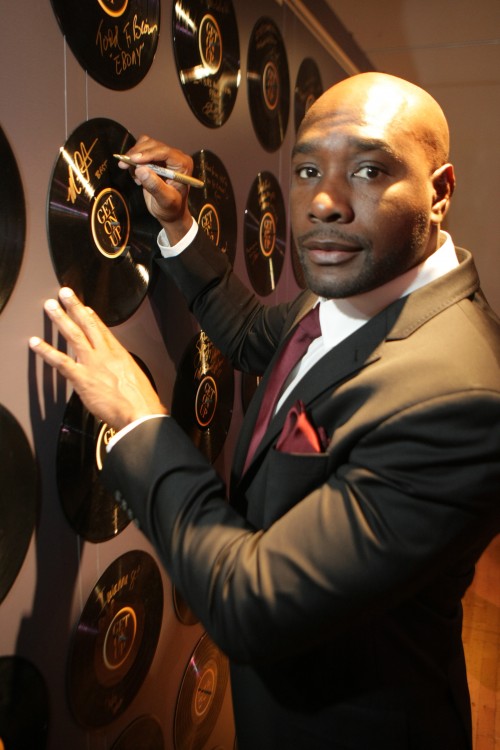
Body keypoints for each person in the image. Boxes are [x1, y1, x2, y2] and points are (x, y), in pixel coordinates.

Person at [30, 72, 500, 750]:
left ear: (441, 190)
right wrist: (177, 226)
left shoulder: (462, 399)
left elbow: (251, 604)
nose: (325, 202)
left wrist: (138, 420)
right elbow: (258, 338)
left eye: (369, 169)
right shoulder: (361, 281)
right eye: (308, 169)